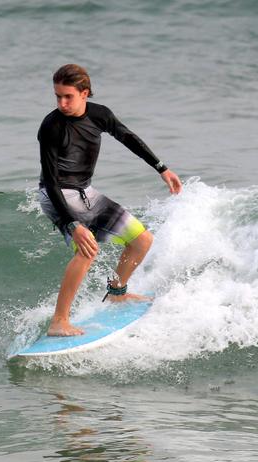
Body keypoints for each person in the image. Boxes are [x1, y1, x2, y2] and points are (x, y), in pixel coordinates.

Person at [38, 64, 182, 336]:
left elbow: (128, 138)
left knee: (142, 240)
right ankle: (59, 321)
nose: (61, 103)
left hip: (85, 191)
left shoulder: (99, 114)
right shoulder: (51, 127)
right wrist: (72, 224)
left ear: (85, 93)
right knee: (88, 249)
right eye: (57, 96)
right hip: (57, 193)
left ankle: (117, 292)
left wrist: (162, 168)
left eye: (68, 96)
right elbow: (51, 180)